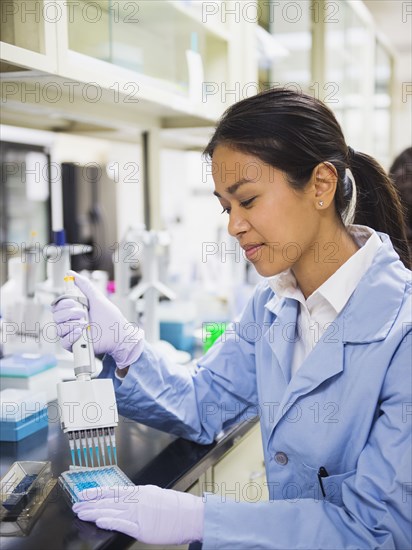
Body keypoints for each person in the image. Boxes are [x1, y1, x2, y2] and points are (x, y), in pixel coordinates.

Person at [52, 88, 412, 549]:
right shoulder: (273, 305)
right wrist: (126, 347)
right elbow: (205, 405)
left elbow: (379, 532)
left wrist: (205, 520)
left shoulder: (400, 331)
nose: (233, 225)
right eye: (226, 206)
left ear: (321, 185)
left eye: (248, 200)